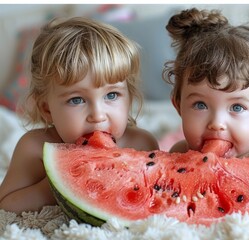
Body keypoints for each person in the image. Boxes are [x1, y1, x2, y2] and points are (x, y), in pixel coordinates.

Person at [0, 17, 159, 214]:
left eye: (111, 95)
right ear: (47, 109)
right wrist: (63, 182)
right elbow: (6, 204)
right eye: (77, 100)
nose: (98, 115)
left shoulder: (141, 143)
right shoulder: (33, 148)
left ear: (129, 98)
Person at [162, 8, 249, 157]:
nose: (216, 123)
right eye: (200, 105)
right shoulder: (180, 153)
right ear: (179, 106)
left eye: (237, 107)